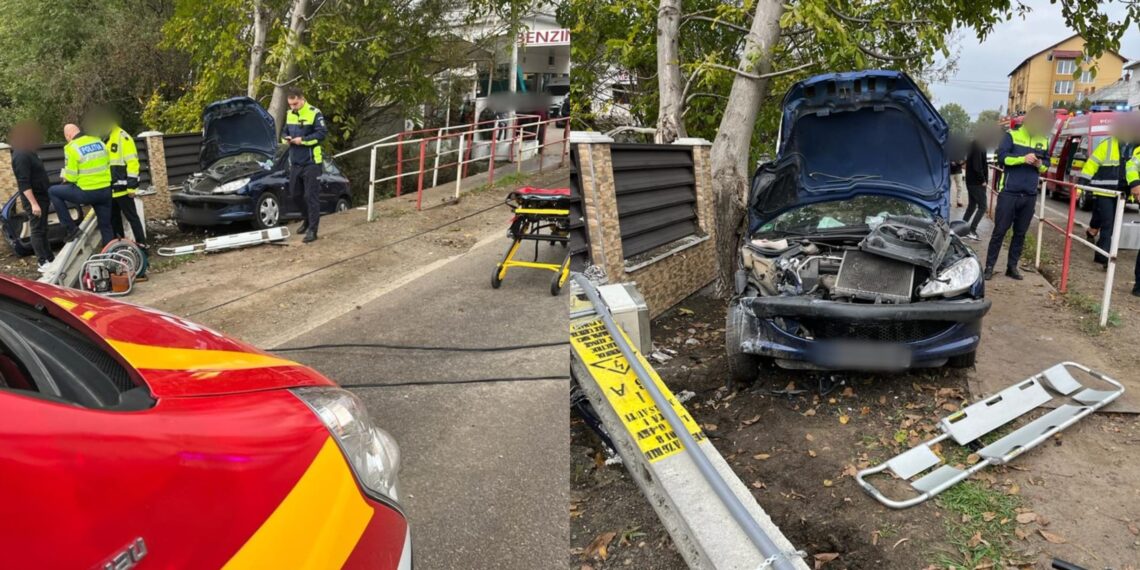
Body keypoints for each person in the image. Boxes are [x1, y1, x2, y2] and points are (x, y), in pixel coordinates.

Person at [984, 106, 1051, 281]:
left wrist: (1039, 165)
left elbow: (1047, 166)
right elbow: (1002, 158)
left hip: (1029, 194)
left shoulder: (1043, 140)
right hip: (1009, 192)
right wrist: (1022, 159)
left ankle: (1011, 267)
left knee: (1020, 233)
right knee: (1000, 231)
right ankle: (989, 267)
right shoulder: (1011, 135)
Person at [47, 124, 114, 245]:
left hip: (86, 192)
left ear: (68, 135)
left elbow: (72, 176)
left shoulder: (71, 147)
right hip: (105, 191)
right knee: (106, 226)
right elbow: (108, 164)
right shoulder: (98, 142)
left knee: (53, 191)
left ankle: (71, 229)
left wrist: (65, 177)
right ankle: (110, 256)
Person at [1078, 118, 1131, 268]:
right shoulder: (1107, 144)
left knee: (1112, 225)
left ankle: (1101, 252)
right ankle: (1104, 257)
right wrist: (1083, 182)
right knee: (1108, 224)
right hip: (1105, 192)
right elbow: (1092, 163)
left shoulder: (1134, 147)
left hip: (1122, 193)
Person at [280, 86, 328, 243]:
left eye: (295, 104)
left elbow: (321, 134)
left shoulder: (314, 112)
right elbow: (283, 132)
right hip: (295, 162)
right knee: (294, 194)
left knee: (310, 196)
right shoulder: (289, 114)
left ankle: (312, 230)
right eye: (290, 105)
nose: (293, 107)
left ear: (302, 99)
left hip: (312, 162)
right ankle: (306, 219)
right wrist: (285, 139)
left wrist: (304, 140)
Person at [8, 121, 53, 271]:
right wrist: (33, 203)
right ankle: (42, 262)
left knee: (43, 228)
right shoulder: (20, 155)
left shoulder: (30, 152)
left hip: (42, 195)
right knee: (37, 230)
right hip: (34, 198)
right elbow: (24, 183)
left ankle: (49, 257)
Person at [961, 127, 994, 241]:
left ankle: (960, 229)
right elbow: (977, 165)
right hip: (976, 182)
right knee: (983, 206)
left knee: (972, 206)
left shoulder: (973, 145)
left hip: (971, 181)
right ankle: (972, 230)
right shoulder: (978, 146)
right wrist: (983, 180)